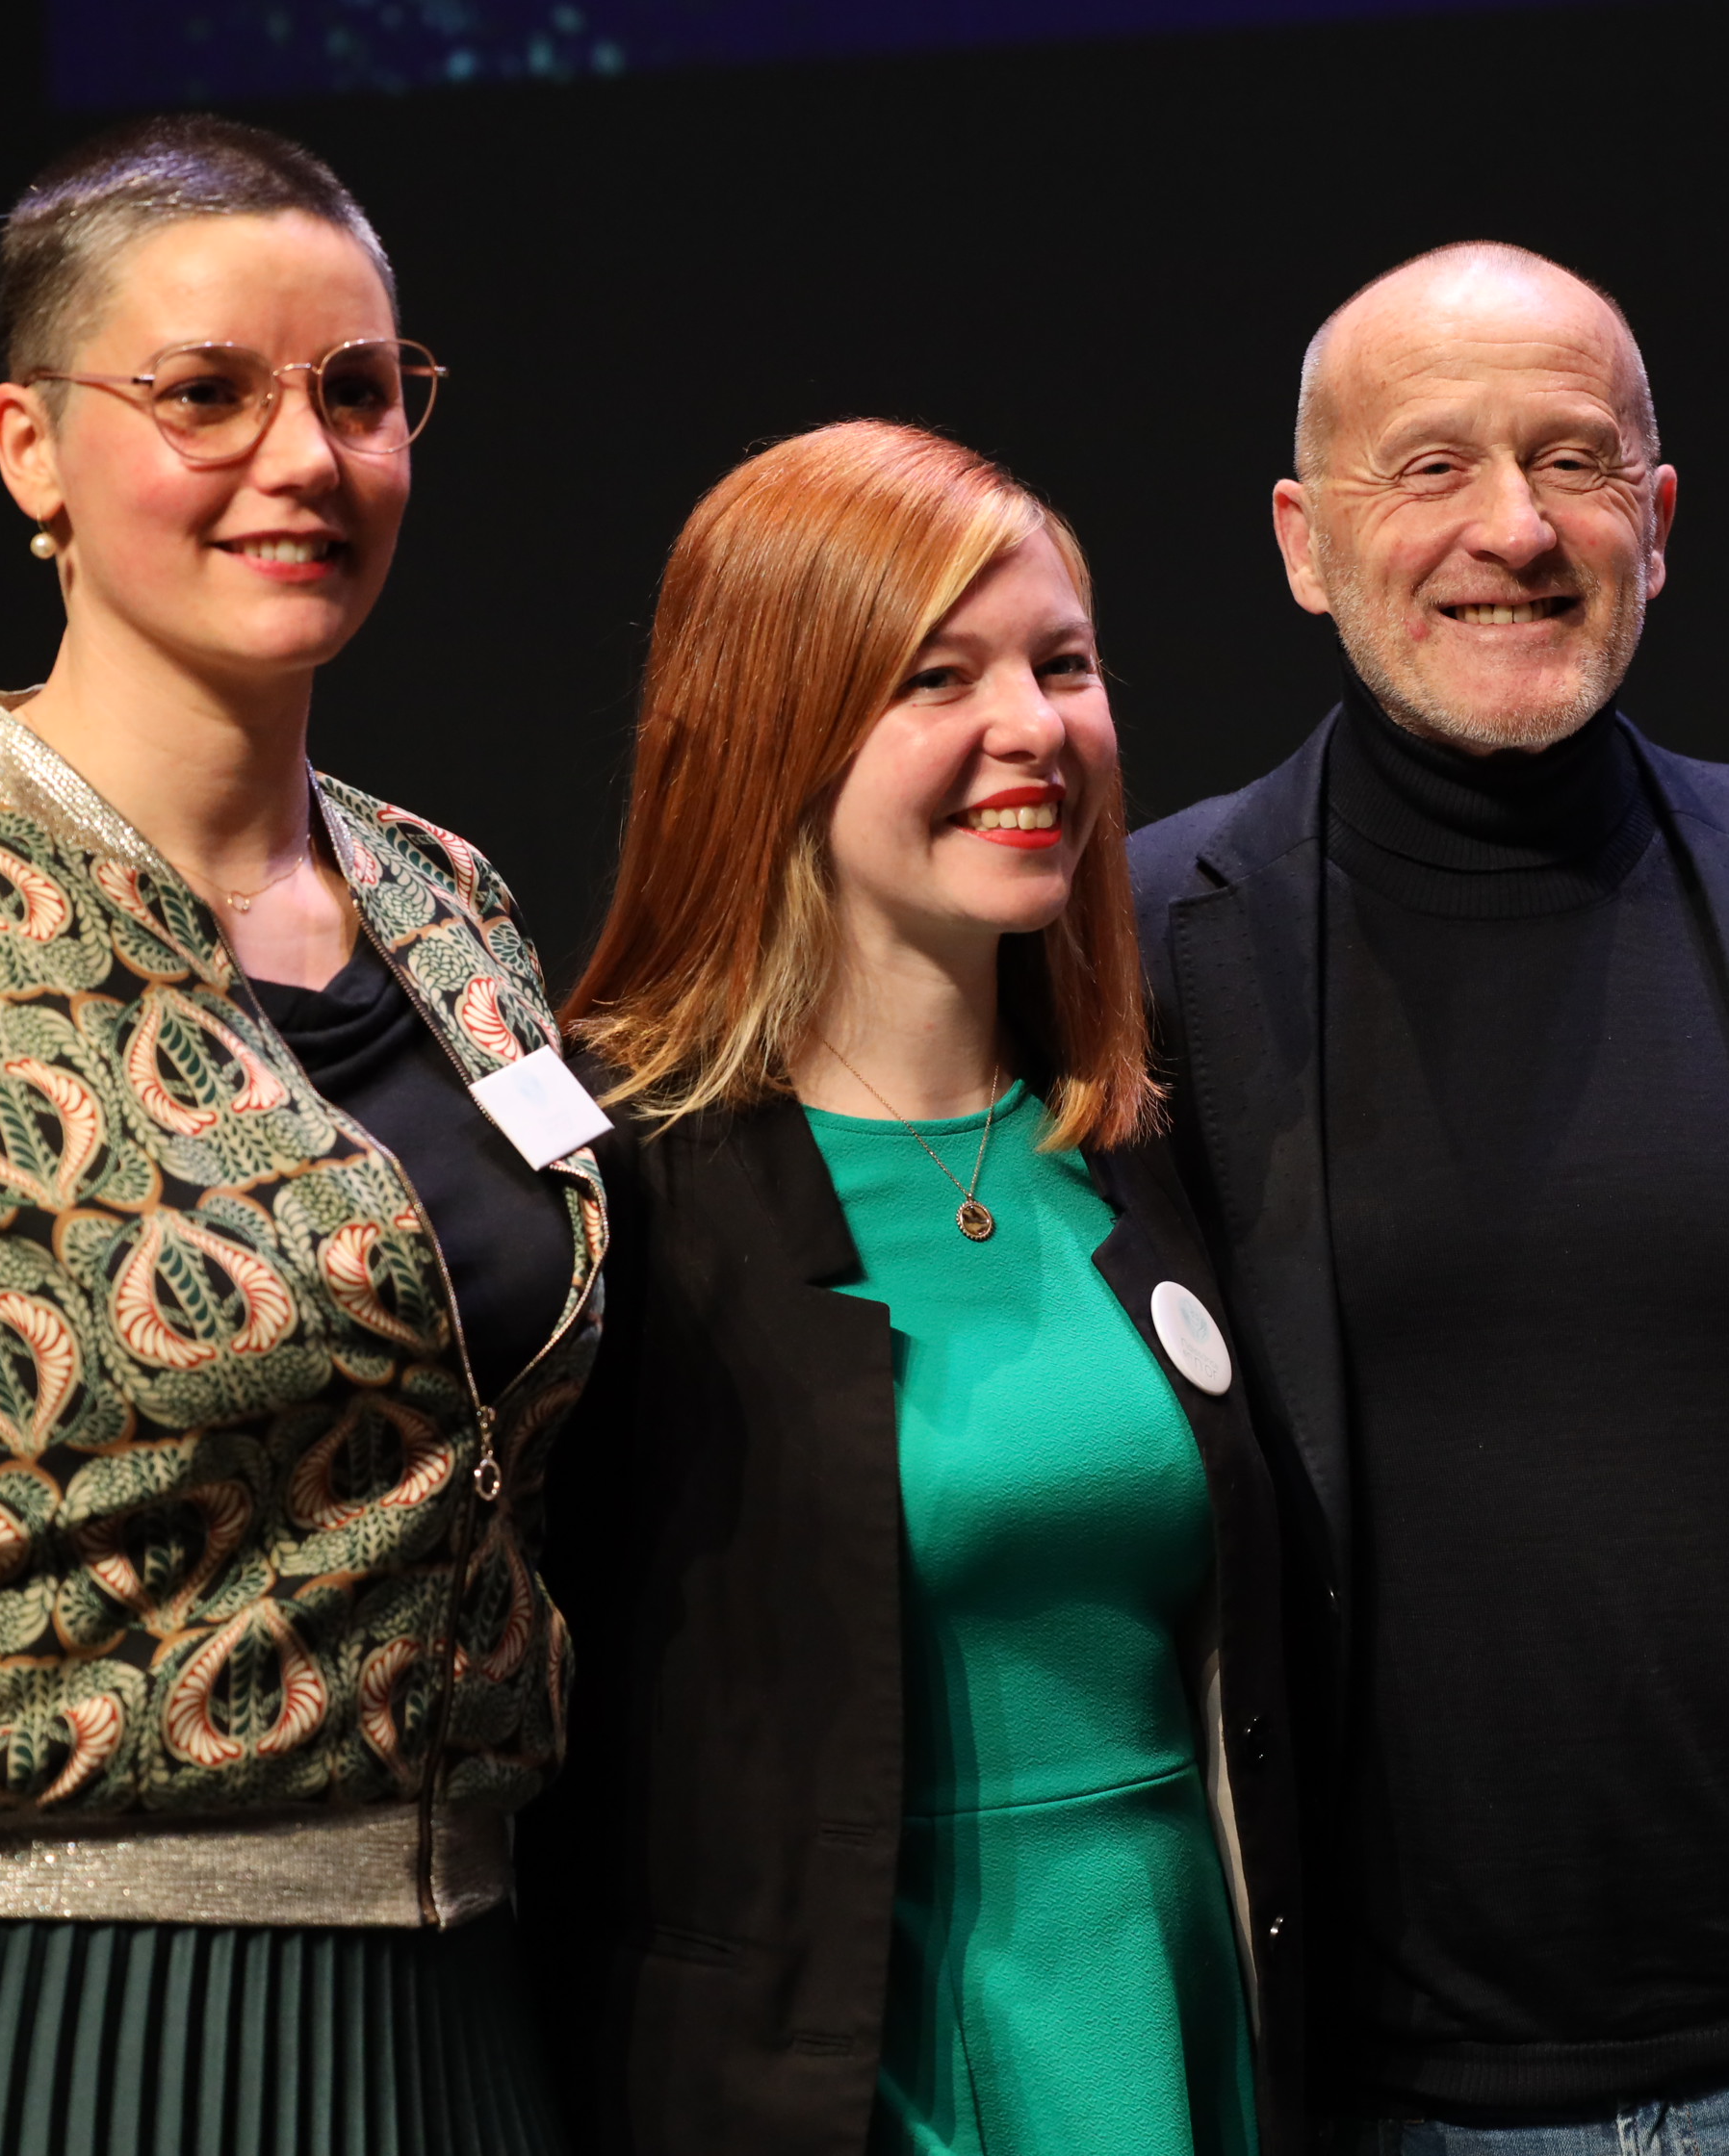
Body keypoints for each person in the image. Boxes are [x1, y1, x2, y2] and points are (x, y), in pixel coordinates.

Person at [0, 116, 606, 2154]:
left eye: (358, 392)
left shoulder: (456, 910)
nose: (305, 458)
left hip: (459, 2029)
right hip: (33, 2033)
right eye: (205, 395)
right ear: (31, 448)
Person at [1128, 244, 1729, 2153]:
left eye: (1573, 461)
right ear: (1305, 541)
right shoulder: (1142, 953)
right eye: (1431, 465)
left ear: (1656, 522)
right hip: (1396, 2107)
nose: (1513, 528)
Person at [517, 420, 1304, 2155]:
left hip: (1175, 2023)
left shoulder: (1145, 1142)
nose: (1033, 726)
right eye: (936, 678)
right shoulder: (620, 1189)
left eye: (1063, 665)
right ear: (773, 728)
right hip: (845, 2086)